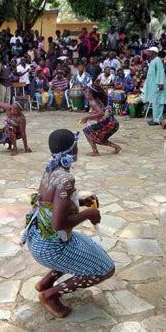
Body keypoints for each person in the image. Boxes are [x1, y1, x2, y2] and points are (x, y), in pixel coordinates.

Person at [21, 129, 115, 318]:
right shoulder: (66, 179)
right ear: (73, 150)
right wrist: (90, 213)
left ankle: (45, 283)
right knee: (105, 270)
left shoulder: (51, 170)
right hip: (51, 246)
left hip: (38, 239)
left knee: (90, 249)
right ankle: (50, 295)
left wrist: (80, 202)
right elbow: (58, 224)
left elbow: (51, 206)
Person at [81, 86, 122, 156]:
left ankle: (95, 151)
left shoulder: (93, 102)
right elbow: (102, 114)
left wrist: (87, 117)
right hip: (113, 123)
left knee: (87, 131)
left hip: (109, 123)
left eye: (87, 92)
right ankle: (117, 147)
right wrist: (90, 118)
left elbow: (101, 113)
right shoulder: (97, 100)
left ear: (91, 94)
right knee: (100, 139)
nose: (85, 93)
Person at [144, 47, 166, 125]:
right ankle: (157, 118)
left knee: (157, 102)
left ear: (154, 52)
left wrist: (160, 83)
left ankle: (156, 119)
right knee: (156, 102)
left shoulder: (157, 60)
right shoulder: (153, 61)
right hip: (153, 85)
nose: (148, 53)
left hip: (157, 85)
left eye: (150, 51)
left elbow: (160, 72)